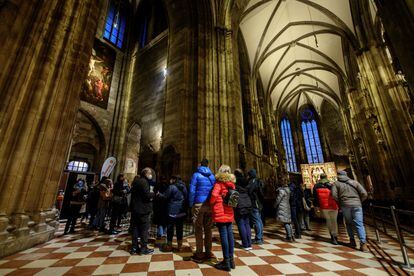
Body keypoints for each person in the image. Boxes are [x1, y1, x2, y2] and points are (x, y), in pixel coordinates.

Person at [332, 171, 368, 252]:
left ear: (338, 176)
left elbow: (334, 195)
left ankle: (352, 241)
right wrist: (359, 201)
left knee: (348, 223)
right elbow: (364, 193)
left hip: (345, 205)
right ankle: (363, 243)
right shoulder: (355, 182)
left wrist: (340, 202)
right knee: (359, 224)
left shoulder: (336, 184)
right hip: (357, 205)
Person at [189, 158, 215, 262]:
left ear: (200, 165)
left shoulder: (196, 175)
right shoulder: (212, 176)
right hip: (209, 205)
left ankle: (199, 254)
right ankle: (208, 252)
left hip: (198, 204)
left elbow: (192, 190)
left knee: (198, 229)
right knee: (208, 229)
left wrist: (191, 203)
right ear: (208, 165)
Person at [210, 165, 236, 271]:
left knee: (224, 236)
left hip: (220, 213)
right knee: (230, 236)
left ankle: (226, 262)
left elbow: (214, 195)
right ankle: (231, 260)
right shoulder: (231, 184)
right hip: (229, 212)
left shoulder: (219, 183)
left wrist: (211, 203)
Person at [158, 175, 188, 252]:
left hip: (172, 211)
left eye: (171, 179)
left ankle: (169, 245)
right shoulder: (184, 187)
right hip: (181, 211)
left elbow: (165, 196)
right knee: (179, 228)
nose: (170, 180)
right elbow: (186, 197)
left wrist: (159, 194)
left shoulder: (172, 187)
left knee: (170, 228)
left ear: (174, 179)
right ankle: (179, 246)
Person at [129, 168, 155, 255]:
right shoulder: (144, 182)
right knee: (144, 229)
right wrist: (153, 194)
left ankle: (134, 247)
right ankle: (144, 248)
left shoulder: (136, 181)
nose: (151, 175)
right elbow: (146, 195)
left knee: (135, 229)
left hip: (135, 209)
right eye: (150, 173)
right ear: (146, 173)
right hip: (143, 209)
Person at [313, 174, 339, 244]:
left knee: (329, 221)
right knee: (334, 221)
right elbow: (336, 195)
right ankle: (335, 235)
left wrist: (316, 207)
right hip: (334, 205)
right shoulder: (332, 185)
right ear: (326, 177)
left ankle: (333, 236)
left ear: (320, 178)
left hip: (324, 206)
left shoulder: (316, 186)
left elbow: (315, 198)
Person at [234, 169, 252, 250]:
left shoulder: (235, 183)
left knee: (241, 223)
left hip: (240, 204)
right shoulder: (246, 181)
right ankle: (249, 243)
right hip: (247, 203)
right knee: (247, 224)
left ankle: (245, 244)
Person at [246, 169, 264, 244]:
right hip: (259, 203)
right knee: (259, 221)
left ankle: (259, 239)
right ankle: (260, 237)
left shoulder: (252, 181)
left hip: (254, 203)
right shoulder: (258, 181)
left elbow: (249, 191)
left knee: (256, 221)